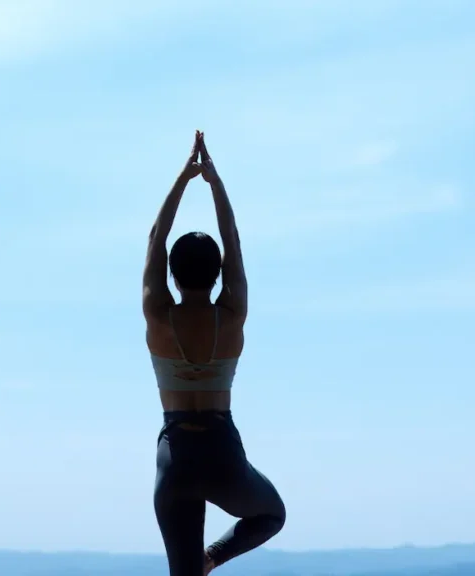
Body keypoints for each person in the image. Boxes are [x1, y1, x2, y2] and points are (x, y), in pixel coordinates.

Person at [144, 131, 286, 576]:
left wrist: (184, 179)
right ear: (218, 270)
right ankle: (211, 560)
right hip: (221, 452)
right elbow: (234, 239)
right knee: (271, 514)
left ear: (173, 273)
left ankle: (195, 567)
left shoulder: (159, 316)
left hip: (176, 455)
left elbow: (156, 237)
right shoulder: (232, 314)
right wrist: (215, 181)